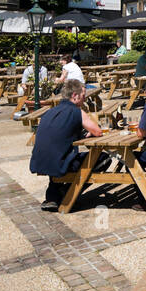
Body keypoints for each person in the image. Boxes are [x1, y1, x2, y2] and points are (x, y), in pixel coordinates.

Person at [29, 79, 102, 211]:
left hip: (39, 161)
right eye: (83, 95)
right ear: (75, 95)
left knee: (59, 153)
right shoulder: (77, 112)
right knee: (101, 158)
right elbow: (97, 131)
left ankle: (53, 196)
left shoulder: (49, 112)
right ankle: (68, 193)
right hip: (60, 163)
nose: (85, 99)